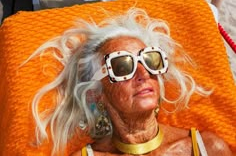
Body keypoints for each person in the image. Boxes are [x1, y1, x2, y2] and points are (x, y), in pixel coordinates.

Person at [26, 8, 233, 156]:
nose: (143, 73)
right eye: (123, 66)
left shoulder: (208, 148)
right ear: (97, 93)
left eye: (151, 60)